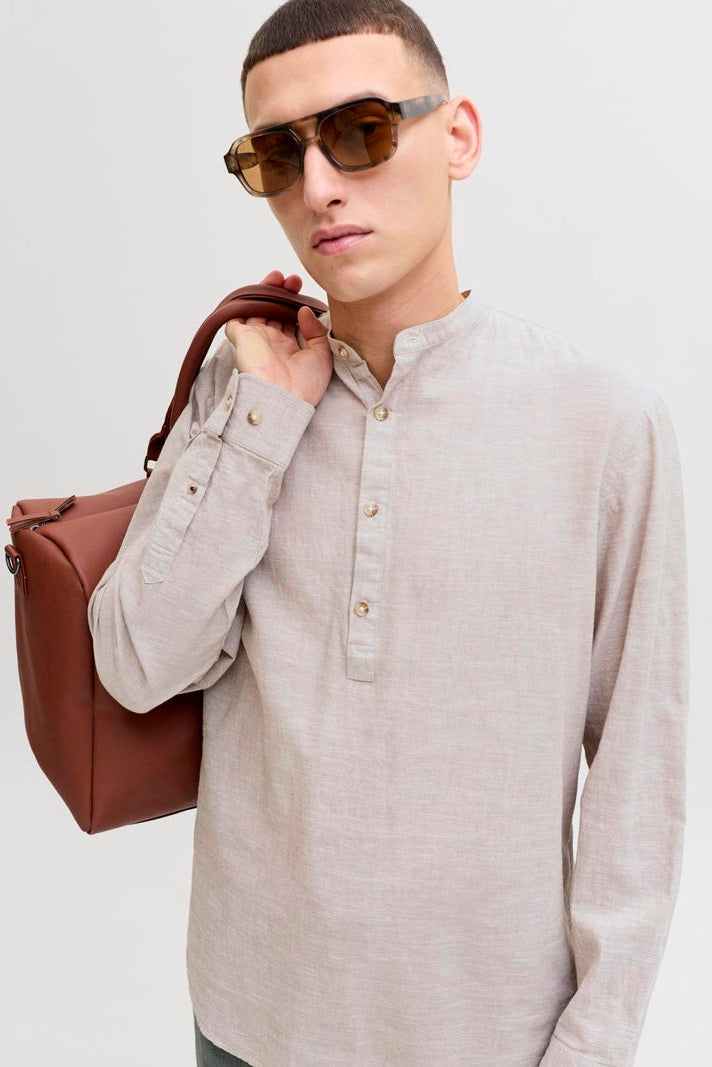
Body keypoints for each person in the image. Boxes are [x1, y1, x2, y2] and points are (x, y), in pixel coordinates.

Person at [87, 1, 689, 1065]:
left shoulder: (603, 424)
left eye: (360, 131)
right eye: (278, 156)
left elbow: (640, 782)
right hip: (246, 1021)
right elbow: (138, 665)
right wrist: (261, 424)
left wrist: (591, 1049)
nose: (318, 186)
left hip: (490, 1039)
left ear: (457, 136)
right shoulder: (246, 391)